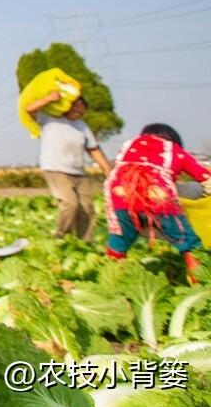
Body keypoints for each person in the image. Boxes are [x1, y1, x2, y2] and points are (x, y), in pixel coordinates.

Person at [105, 123, 210, 282]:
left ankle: (113, 284)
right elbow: (205, 177)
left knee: (118, 243)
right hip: (158, 197)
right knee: (190, 244)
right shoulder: (176, 151)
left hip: (119, 196)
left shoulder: (128, 146)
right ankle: (202, 283)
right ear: (174, 142)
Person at [21, 93, 112, 240]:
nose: (79, 110)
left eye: (82, 108)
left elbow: (93, 149)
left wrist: (107, 169)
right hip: (56, 169)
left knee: (87, 209)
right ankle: (61, 237)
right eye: (75, 106)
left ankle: (85, 242)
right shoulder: (50, 119)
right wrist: (48, 99)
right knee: (70, 203)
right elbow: (29, 109)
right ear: (66, 105)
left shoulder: (82, 126)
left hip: (78, 172)